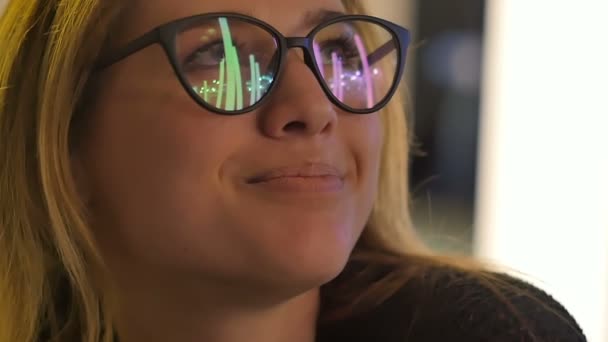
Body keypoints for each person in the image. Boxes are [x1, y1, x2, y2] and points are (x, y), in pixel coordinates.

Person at [0, 0, 586, 341]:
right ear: (64, 139)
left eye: (337, 50)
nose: (313, 108)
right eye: (220, 54)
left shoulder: (497, 333)